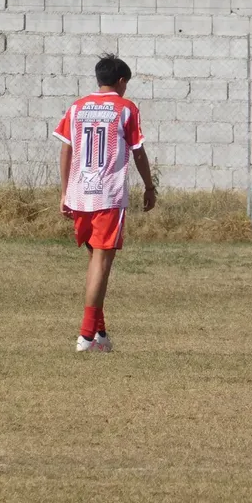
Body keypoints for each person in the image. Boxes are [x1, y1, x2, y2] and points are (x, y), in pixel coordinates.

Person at [54, 54, 157, 353]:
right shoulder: (126, 108)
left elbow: (65, 150)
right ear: (122, 81)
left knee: (95, 261)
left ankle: (99, 334)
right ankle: (85, 336)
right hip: (107, 195)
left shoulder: (77, 107)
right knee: (102, 262)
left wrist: (64, 192)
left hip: (79, 193)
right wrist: (149, 186)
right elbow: (138, 151)